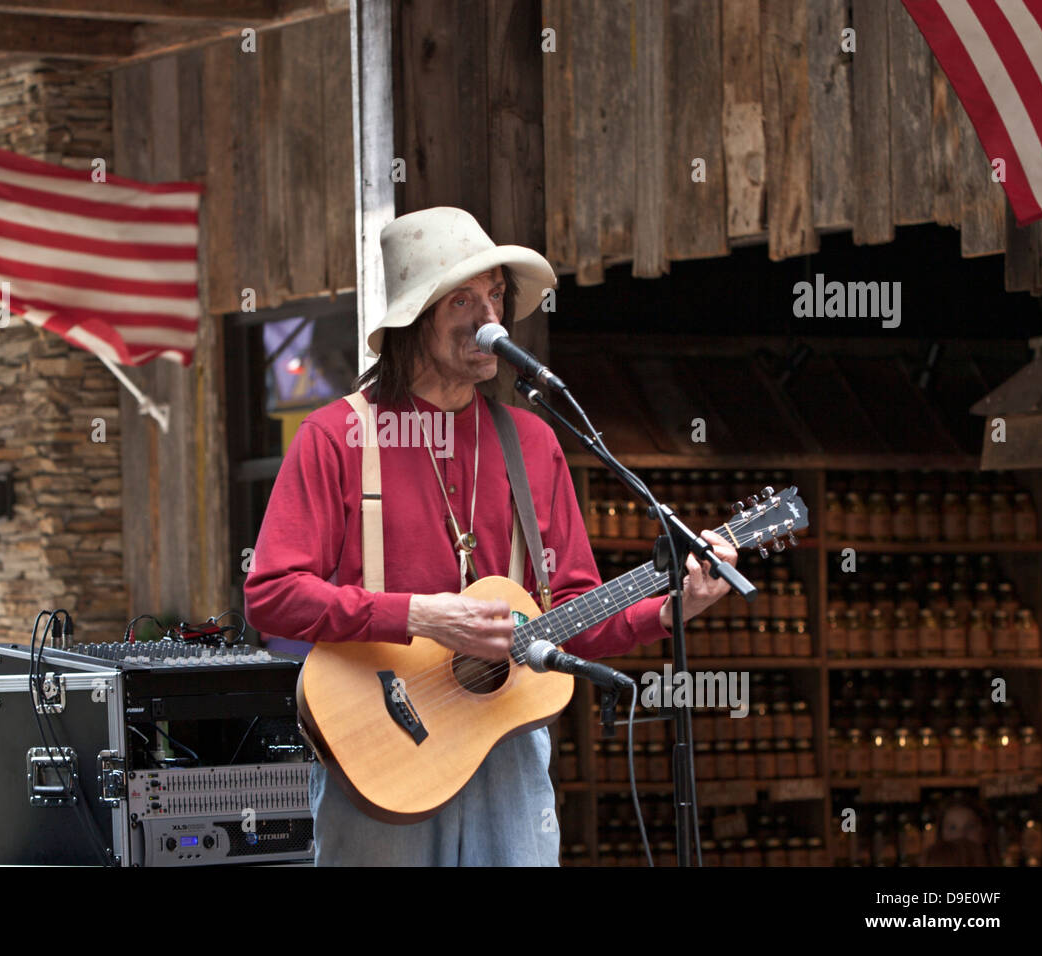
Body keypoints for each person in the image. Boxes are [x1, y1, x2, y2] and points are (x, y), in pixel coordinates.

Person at [244, 206, 737, 865]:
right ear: (416, 315)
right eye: (464, 298)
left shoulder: (532, 442)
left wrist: (675, 608)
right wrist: (418, 615)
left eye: (498, 295)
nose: (490, 317)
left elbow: (573, 615)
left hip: (506, 750)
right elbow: (272, 596)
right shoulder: (336, 436)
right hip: (377, 749)